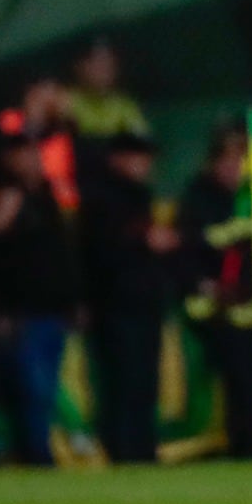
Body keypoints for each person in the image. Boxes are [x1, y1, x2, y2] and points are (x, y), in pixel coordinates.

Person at [79, 131, 177, 463]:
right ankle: (122, 451)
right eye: (138, 156)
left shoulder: (139, 196)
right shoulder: (100, 197)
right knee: (122, 382)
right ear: (117, 158)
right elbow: (99, 252)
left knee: (144, 383)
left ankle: (142, 449)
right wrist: (143, 240)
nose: (145, 164)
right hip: (115, 307)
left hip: (144, 305)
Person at [0, 124, 82, 466]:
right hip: (21, 311)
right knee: (30, 388)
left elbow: (62, 254)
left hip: (51, 308)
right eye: (24, 152)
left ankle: (35, 452)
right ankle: (33, 456)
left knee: (42, 391)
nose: (32, 159)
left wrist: (74, 299)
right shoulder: (7, 197)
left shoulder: (46, 195)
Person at [177, 125, 252, 459]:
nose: (235, 167)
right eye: (229, 160)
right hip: (213, 314)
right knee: (231, 388)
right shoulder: (198, 199)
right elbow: (187, 251)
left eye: (241, 159)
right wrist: (208, 288)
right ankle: (240, 449)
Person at [67, 39, 149, 141]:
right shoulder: (66, 101)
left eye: (108, 63)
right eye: (97, 63)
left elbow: (140, 142)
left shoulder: (125, 106)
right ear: (80, 67)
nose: (104, 71)